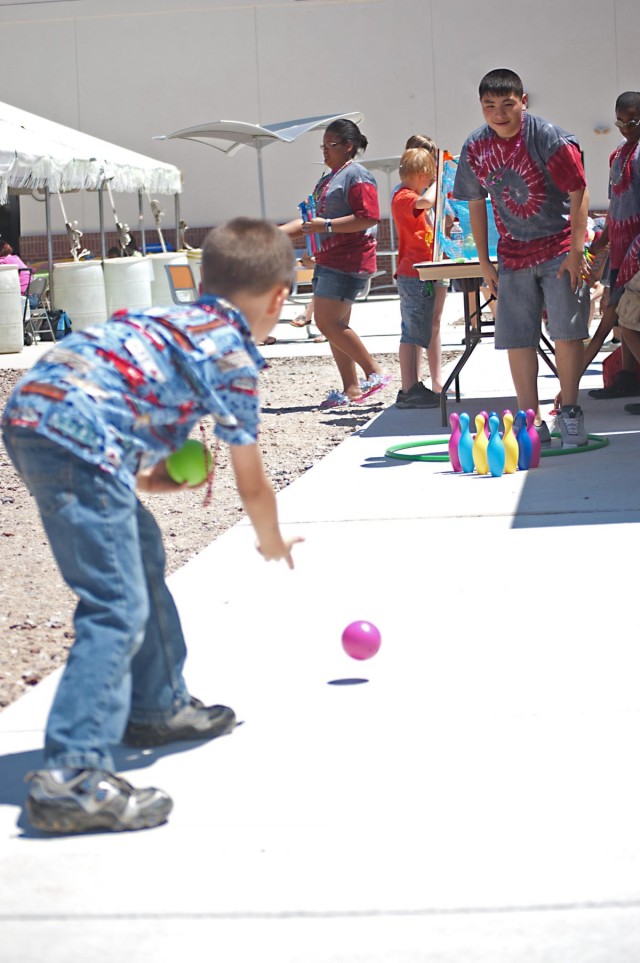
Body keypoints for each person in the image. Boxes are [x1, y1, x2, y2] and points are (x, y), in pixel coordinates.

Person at [1, 217, 303, 835]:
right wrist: (270, 539)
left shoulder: (166, 321)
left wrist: (150, 478)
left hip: (35, 415)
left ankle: (156, 704)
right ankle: (72, 778)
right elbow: (252, 480)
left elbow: (117, 403)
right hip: (78, 436)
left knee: (138, 548)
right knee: (116, 605)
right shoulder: (232, 353)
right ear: (279, 298)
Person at [453, 68, 591, 447]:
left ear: (523, 102)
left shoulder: (546, 136)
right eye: (490, 106)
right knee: (517, 338)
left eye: (508, 104)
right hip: (513, 253)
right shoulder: (475, 146)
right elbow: (474, 202)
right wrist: (483, 262)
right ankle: (530, 420)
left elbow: (579, 190)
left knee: (566, 331)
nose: (499, 113)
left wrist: (576, 251)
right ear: (481, 108)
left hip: (558, 245)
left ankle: (571, 413)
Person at [280, 118, 390, 408]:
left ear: (348, 146)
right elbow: (311, 222)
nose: (324, 152)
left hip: (348, 259)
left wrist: (325, 226)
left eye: (330, 145)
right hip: (329, 258)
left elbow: (368, 216)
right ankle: (351, 389)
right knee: (335, 326)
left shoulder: (357, 176)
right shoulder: (330, 178)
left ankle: (374, 372)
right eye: (323, 146)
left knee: (326, 322)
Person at [588, 91, 640, 413]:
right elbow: (614, 207)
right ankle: (629, 377)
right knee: (624, 319)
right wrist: (599, 244)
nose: (624, 128)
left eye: (632, 121)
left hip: (637, 252)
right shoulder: (617, 156)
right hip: (621, 250)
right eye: (620, 121)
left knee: (629, 319)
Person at [391, 147, 440, 408]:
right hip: (413, 273)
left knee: (417, 330)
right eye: (430, 178)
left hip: (418, 272)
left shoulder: (409, 195)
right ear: (422, 175)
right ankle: (409, 388)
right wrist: (439, 181)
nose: (431, 183)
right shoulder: (403, 196)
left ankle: (412, 385)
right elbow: (426, 202)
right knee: (412, 331)